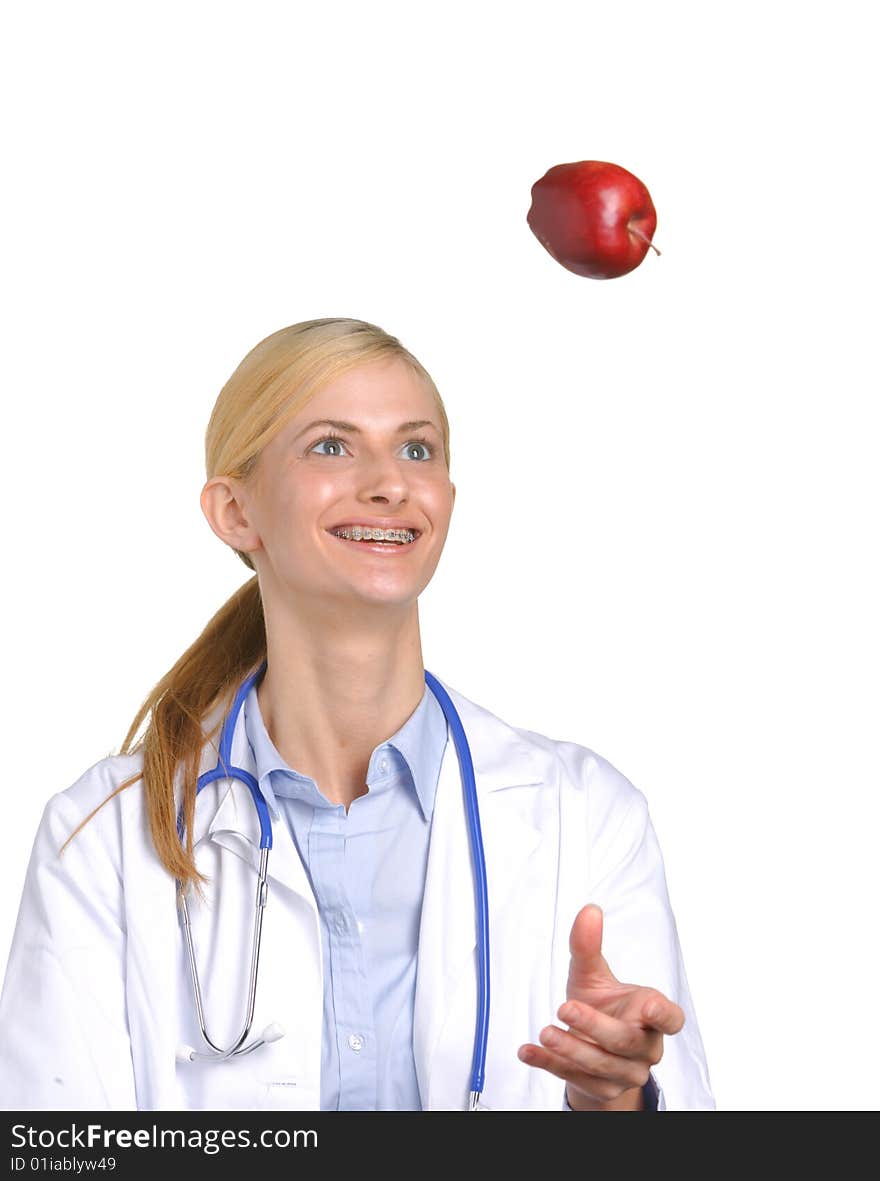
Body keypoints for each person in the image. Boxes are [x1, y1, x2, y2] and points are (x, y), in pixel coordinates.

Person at [0, 318, 714, 1111]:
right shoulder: (103, 836)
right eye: (332, 445)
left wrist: (615, 1102)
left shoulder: (585, 815)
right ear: (236, 511)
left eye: (417, 449)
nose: (389, 482)